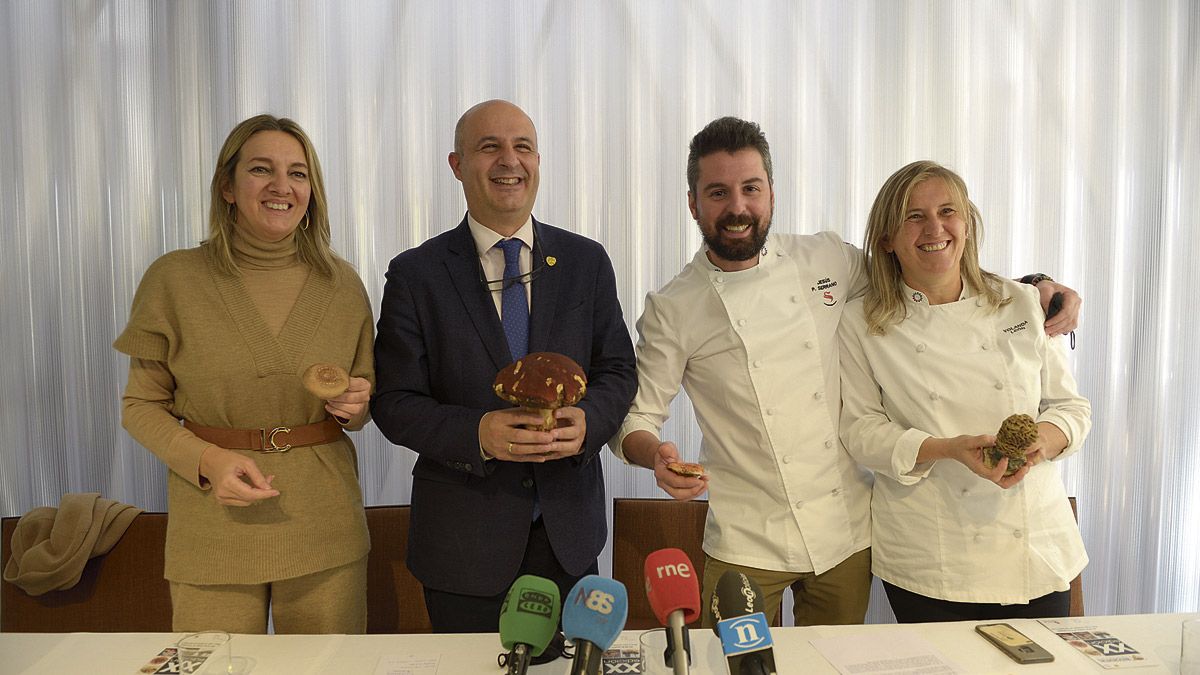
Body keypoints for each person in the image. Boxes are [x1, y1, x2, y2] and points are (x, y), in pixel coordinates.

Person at [612, 117, 1082, 627]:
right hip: (747, 535)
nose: (738, 207)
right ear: (692, 202)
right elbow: (637, 418)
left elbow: (927, 272)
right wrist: (653, 457)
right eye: (718, 192)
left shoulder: (825, 258)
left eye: (751, 188)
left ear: (771, 192)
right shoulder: (673, 306)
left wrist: (1037, 289)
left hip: (844, 531)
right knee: (736, 663)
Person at [371, 100, 637, 634]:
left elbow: (618, 371)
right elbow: (394, 402)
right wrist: (478, 433)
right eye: (488, 147)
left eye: (522, 147)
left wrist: (589, 422)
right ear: (456, 164)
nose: (508, 161)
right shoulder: (416, 274)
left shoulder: (587, 262)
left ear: (538, 160)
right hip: (462, 547)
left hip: (568, 538)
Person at [114, 114, 375, 634]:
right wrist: (206, 460)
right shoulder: (174, 279)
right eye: (262, 169)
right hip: (213, 521)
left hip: (324, 524)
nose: (282, 187)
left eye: (298, 174)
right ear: (228, 187)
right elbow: (139, 406)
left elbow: (360, 405)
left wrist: (357, 405)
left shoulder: (344, 285)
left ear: (312, 190)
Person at [837, 160, 1090, 622]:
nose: (934, 227)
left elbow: (1069, 407)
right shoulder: (861, 322)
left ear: (967, 224)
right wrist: (949, 449)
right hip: (933, 555)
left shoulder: (1023, 300)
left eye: (947, 211)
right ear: (886, 239)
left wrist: (1043, 440)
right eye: (913, 216)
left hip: (1036, 543)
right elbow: (860, 430)